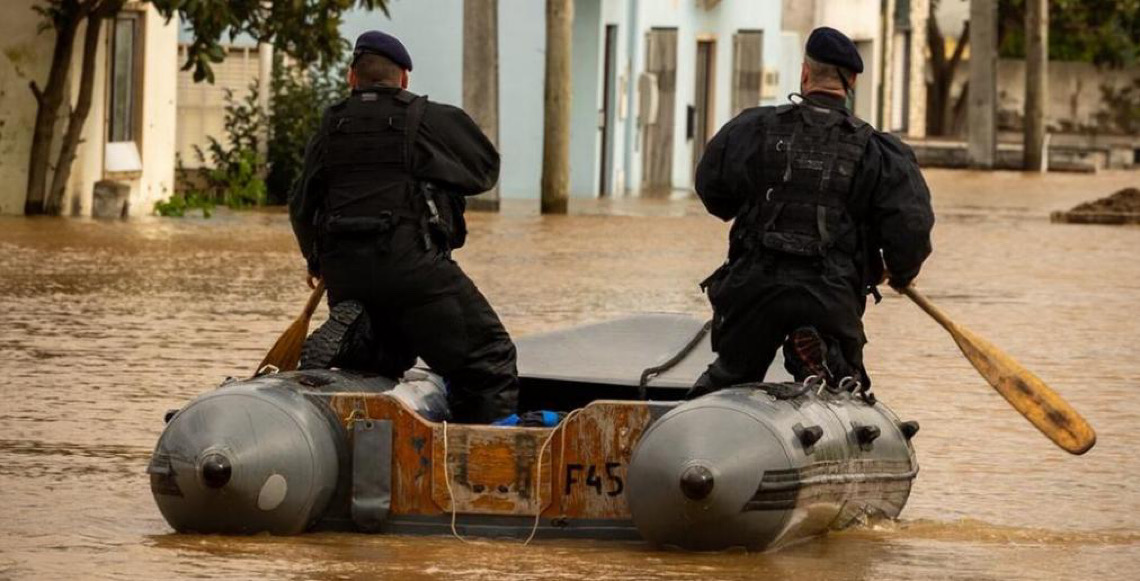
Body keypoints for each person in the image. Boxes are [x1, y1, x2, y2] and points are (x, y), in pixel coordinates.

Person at [690, 27, 935, 397]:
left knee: (728, 378)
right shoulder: (878, 151)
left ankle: (709, 414)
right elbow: (911, 227)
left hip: (755, 289)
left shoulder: (752, 129)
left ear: (804, 73)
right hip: (830, 293)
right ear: (851, 81)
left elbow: (713, 192)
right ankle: (821, 357)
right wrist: (900, 271)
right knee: (845, 390)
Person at [288, 30, 518, 423]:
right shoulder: (426, 118)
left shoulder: (330, 127)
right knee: (489, 359)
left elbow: (300, 203)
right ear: (405, 80)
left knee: (390, 356)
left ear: (351, 78)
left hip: (345, 276)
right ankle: (482, 461)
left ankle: (354, 344)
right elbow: (484, 171)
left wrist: (315, 261)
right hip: (411, 268)